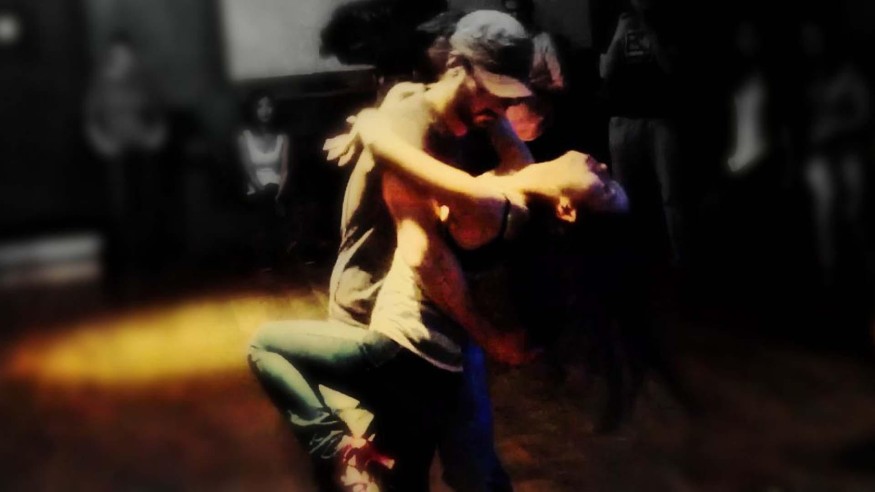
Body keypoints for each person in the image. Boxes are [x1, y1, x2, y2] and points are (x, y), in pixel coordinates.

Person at [249, 11, 539, 491]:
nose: (500, 103)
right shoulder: (410, 116)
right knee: (388, 475)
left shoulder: (450, 117)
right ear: (455, 66)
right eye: (491, 88)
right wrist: (489, 335)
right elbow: (423, 252)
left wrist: (493, 112)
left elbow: (522, 173)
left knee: (473, 471)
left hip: (436, 317)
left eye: (509, 94)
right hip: (377, 315)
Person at [600, 0, 684, 267]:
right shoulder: (616, 18)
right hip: (623, 119)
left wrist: (649, 29)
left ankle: (681, 257)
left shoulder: (668, 17)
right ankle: (633, 257)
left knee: (671, 193)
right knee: (625, 193)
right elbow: (605, 71)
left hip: (660, 118)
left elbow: (671, 68)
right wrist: (618, 36)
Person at [236, 91, 292, 269]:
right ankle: (270, 255)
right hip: (255, 190)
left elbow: (284, 170)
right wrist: (265, 193)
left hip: (278, 189)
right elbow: (248, 170)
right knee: (266, 201)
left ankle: (268, 256)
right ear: (253, 110)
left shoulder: (283, 137)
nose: (265, 110)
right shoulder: (244, 137)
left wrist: (279, 194)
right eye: (260, 106)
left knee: (271, 193)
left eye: (269, 105)